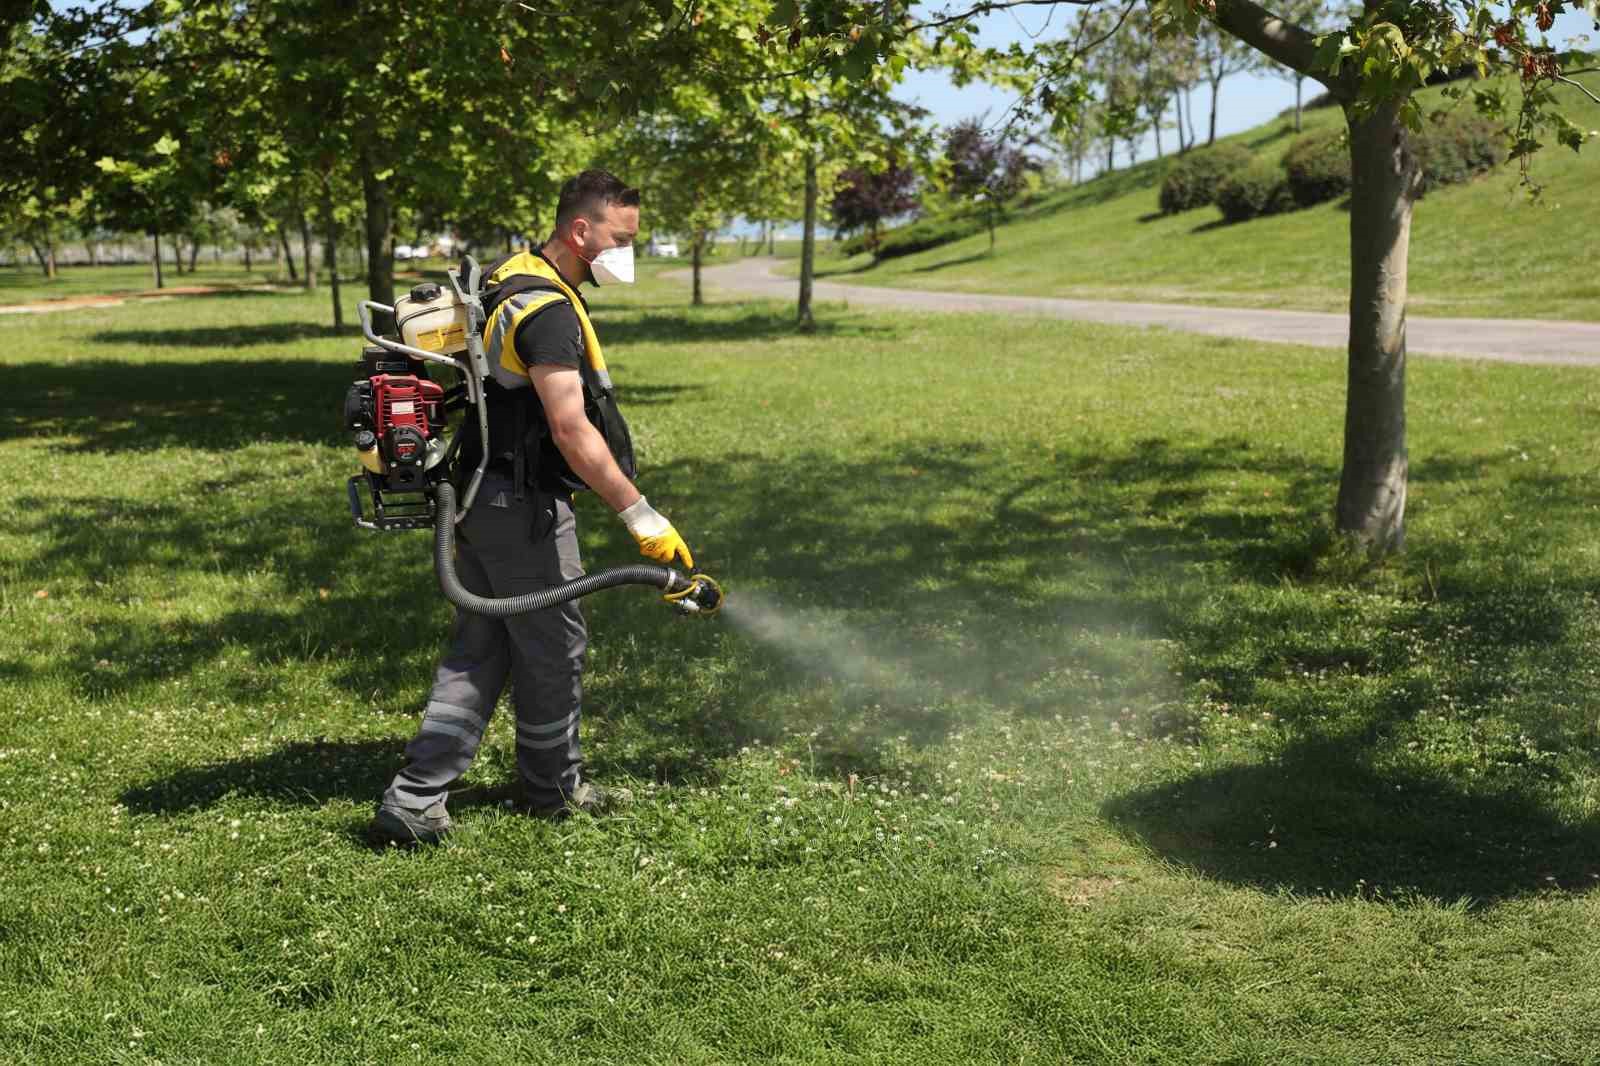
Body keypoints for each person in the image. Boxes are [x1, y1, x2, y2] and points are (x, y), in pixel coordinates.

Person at [370, 169, 694, 845]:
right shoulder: (548, 313)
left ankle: (415, 797)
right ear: (581, 230)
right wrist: (641, 516)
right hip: (521, 506)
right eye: (621, 236)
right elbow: (571, 429)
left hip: (478, 495)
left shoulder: (508, 274)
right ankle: (552, 789)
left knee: (481, 649)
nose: (627, 249)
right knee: (554, 648)